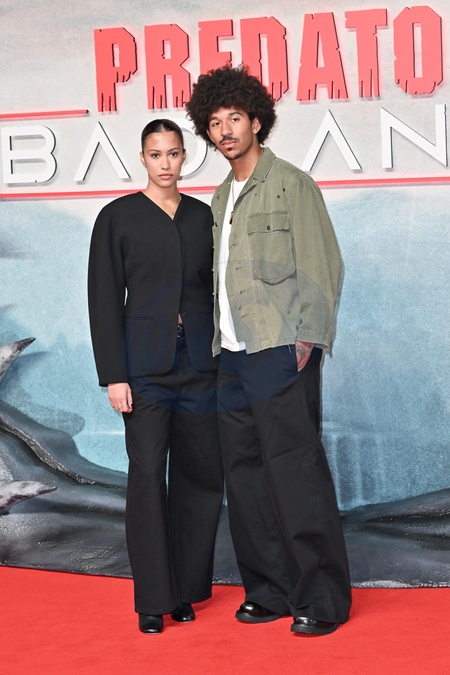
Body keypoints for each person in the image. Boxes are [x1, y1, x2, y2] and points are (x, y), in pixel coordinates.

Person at [186, 65, 351, 636]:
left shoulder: (291, 185)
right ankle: (270, 590)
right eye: (214, 123)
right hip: (231, 354)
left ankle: (321, 599)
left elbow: (323, 264)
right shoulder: (219, 197)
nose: (225, 130)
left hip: (280, 349)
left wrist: (309, 338)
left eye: (234, 118)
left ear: (256, 121)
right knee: (246, 476)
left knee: (295, 473)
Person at [87, 119, 224, 634]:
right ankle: (152, 598)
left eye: (173, 153)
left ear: (185, 157)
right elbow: (104, 298)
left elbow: (216, 290)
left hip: (200, 366)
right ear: (142, 158)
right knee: (147, 478)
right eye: (155, 154)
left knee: (199, 478)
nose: (165, 163)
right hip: (143, 372)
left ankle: (184, 590)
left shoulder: (202, 216)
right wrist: (114, 376)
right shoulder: (116, 217)